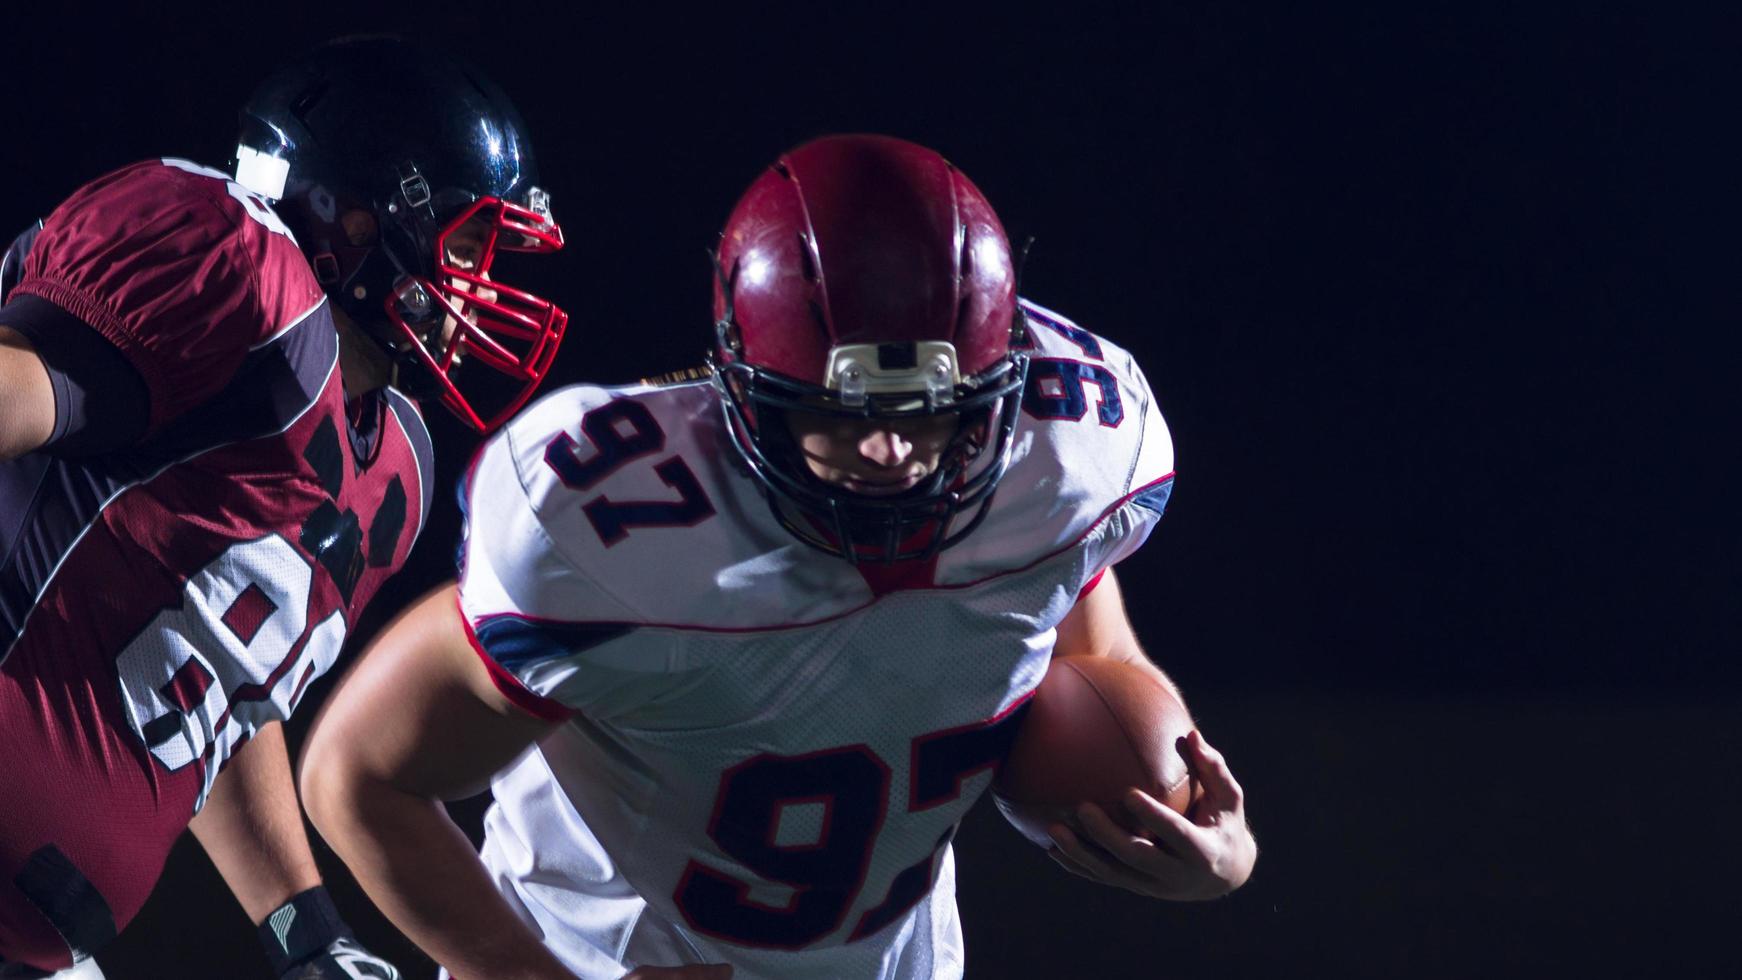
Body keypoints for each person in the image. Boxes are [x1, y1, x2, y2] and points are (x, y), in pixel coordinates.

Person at [301, 134, 1257, 980]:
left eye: (933, 414)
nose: (892, 457)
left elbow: (1088, 647)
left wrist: (1217, 844)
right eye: (842, 418)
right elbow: (356, 773)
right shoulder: (620, 540)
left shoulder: (1060, 473)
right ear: (742, 389)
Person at [0, 36, 568, 980]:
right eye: (470, 245)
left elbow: (211, 690)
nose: (485, 286)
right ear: (354, 217)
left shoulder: (394, 470)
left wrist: (307, 936)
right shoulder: (237, 267)